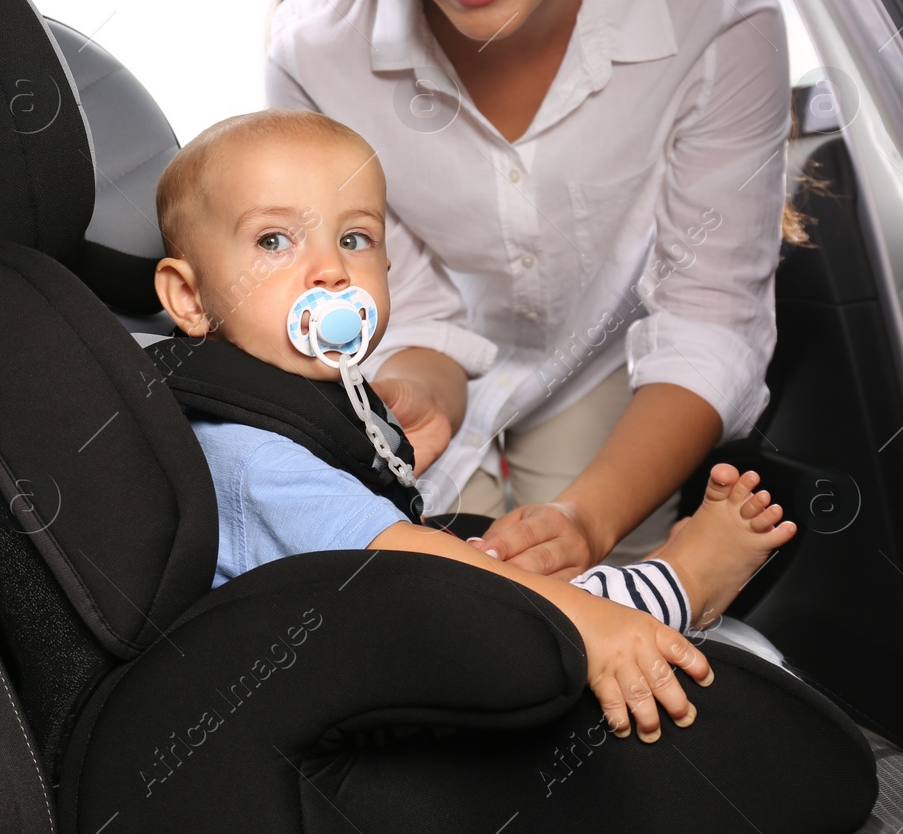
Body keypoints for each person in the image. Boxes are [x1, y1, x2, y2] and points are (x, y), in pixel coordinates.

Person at [267, 0, 797, 578]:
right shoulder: (316, 50)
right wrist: (417, 387)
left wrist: (587, 521)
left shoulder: (714, 5)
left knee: (613, 605)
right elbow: (401, 299)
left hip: (613, 373)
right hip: (427, 368)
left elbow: (709, 318)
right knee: (444, 613)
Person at [150, 110, 796, 742]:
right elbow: (411, 562)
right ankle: (680, 582)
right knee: (532, 611)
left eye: (354, 238)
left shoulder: (302, 402)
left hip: (352, 632)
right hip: (336, 697)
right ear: (188, 297)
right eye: (274, 240)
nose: (331, 271)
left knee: (497, 561)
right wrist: (587, 622)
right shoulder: (248, 456)